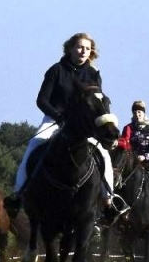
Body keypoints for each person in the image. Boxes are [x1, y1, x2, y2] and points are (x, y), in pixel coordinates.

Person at [13, 32, 115, 207]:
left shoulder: (93, 74)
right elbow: (42, 100)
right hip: (54, 120)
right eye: (80, 47)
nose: (84, 51)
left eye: (88, 48)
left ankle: (109, 199)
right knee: (33, 146)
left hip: (83, 125)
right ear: (70, 48)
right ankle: (18, 193)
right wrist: (58, 116)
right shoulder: (56, 70)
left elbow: (97, 102)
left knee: (104, 154)